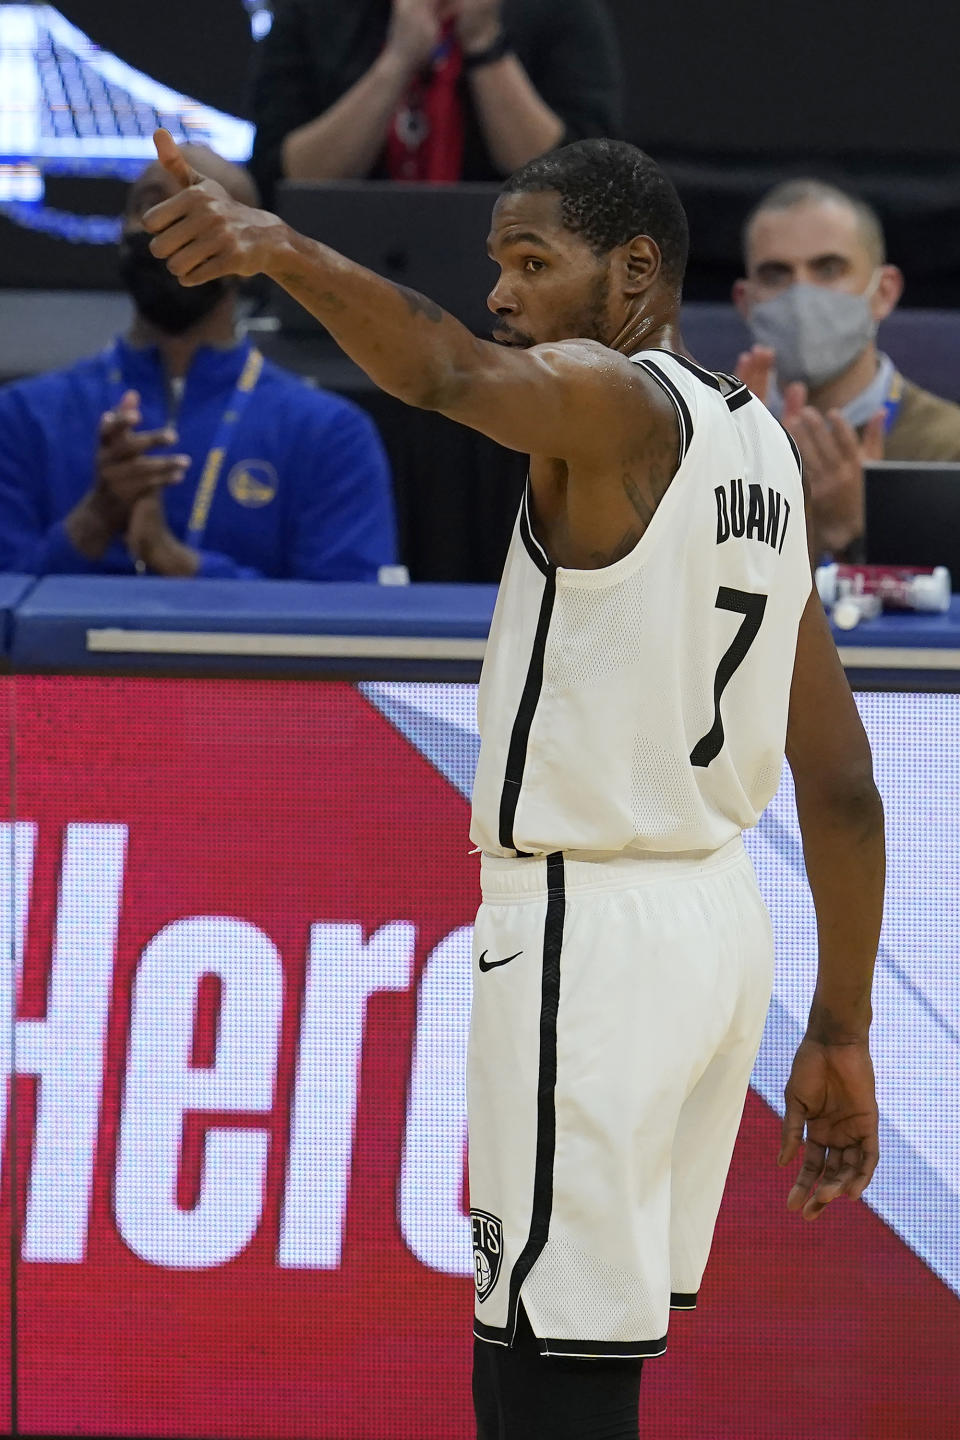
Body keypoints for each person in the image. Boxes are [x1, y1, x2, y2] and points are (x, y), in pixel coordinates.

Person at [144, 130, 884, 1438]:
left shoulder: (614, 401)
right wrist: (837, 1029)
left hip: (589, 936)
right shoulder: (764, 449)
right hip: (720, 932)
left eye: (533, 263)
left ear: (635, 272)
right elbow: (841, 785)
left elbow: (443, 368)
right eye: (496, 264)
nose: (502, 293)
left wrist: (276, 245)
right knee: (593, 1359)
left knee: (542, 1385)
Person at [0, 148, 396, 580]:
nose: (170, 224)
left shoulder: (330, 435)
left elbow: (347, 622)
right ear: (120, 238)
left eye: (202, 209)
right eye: (150, 204)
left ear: (252, 258)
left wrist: (178, 563)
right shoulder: (21, 417)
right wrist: (92, 522)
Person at [733, 178, 960, 560]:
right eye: (776, 274)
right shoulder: (703, 439)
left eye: (828, 269)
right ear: (745, 302)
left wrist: (857, 536)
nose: (801, 295)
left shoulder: (948, 447)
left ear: (883, 292)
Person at [250, 0, 621, 202]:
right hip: (337, 276)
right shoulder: (312, 12)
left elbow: (581, 184)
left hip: (515, 288)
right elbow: (283, 180)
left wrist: (483, 42)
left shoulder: (563, 11)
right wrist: (397, 61)